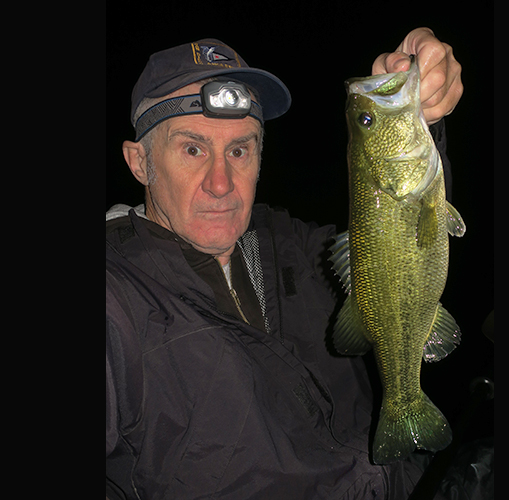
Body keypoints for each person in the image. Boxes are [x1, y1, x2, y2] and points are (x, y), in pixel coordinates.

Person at [106, 27, 463, 500]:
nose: (220, 182)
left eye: (239, 150)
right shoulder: (115, 297)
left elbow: (409, 246)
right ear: (139, 162)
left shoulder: (294, 245)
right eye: (192, 149)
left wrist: (423, 118)